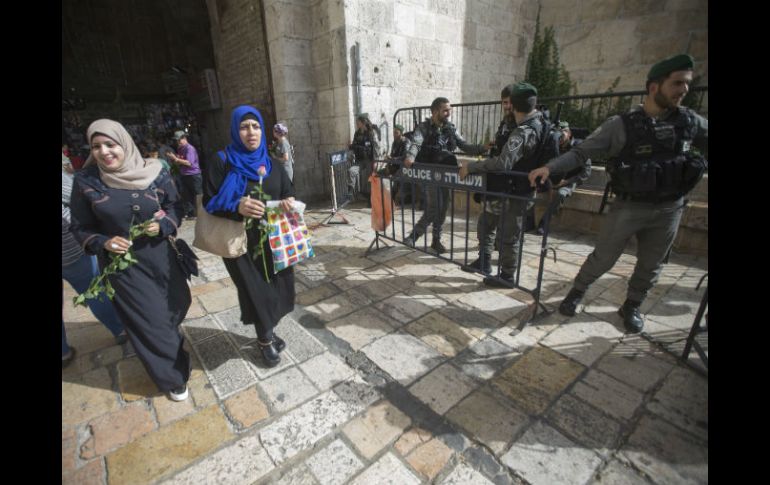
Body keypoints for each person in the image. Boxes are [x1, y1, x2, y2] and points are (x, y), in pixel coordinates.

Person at [527, 54, 708, 333]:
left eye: (687, 84)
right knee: (604, 257)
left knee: (652, 265)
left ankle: (632, 305)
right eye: (677, 83)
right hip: (629, 207)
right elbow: (581, 152)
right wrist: (549, 168)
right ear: (654, 87)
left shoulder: (689, 122)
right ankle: (577, 291)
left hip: (670, 209)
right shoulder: (621, 125)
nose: (684, 90)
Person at [70, 119, 193, 401]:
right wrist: (104, 242)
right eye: (96, 146)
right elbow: (80, 226)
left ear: (125, 144)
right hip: (123, 267)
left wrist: (164, 226)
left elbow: (175, 206)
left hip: (161, 259)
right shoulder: (87, 181)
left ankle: (170, 346)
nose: (104, 151)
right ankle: (172, 377)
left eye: (110, 144)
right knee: (149, 323)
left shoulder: (156, 172)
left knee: (173, 309)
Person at [202, 106, 296, 367]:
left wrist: (288, 201)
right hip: (240, 242)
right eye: (244, 127)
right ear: (235, 130)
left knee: (278, 289)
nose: (250, 132)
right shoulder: (222, 161)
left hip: (274, 239)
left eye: (255, 126)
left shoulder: (272, 163)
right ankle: (265, 340)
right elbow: (209, 201)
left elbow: (288, 190)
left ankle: (268, 330)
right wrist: (237, 206)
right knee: (256, 293)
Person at [458, 82, 547, 287]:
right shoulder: (510, 123)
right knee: (485, 225)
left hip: (517, 190)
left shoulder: (525, 128)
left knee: (509, 235)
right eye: (504, 103)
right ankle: (484, 261)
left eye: (509, 103)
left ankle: (507, 276)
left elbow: (503, 162)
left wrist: (471, 167)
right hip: (501, 187)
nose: (506, 107)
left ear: (516, 105)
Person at [62, 170, 128, 368]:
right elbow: (78, 195)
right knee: (93, 290)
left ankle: (63, 353)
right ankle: (120, 330)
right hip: (69, 251)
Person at [404, 97, 486, 253]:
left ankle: (436, 240)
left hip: (445, 173)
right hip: (429, 173)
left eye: (450, 110)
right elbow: (416, 143)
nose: (449, 113)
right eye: (445, 110)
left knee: (443, 208)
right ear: (435, 111)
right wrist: (411, 157)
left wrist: (483, 148)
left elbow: (465, 145)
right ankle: (414, 236)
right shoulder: (424, 127)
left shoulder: (450, 128)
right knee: (434, 207)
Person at [530, 121, 592, 235]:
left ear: (568, 133)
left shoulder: (579, 147)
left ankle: (544, 223)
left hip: (570, 180)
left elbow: (586, 173)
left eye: (562, 134)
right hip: (553, 179)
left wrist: (566, 181)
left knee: (561, 194)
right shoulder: (554, 145)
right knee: (531, 189)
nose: (560, 138)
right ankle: (528, 222)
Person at [167, 130, 202, 218]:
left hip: (193, 174)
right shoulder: (180, 148)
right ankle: (191, 213)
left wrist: (176, 159)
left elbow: (189, 163)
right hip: (184, 174)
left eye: (179, 140)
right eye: (176, 140)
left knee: (198, 195)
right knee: (187, 195)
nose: (178, 142)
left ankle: (202, 213)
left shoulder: (189, 148)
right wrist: (175, 159)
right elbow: (180, 162)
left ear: (184, 138)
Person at [348, 113, 380, 202]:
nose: (356, 124)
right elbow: (354, 145)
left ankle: (372, 198)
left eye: (358, 122)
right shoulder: (357, 133)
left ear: (363, 122)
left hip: (370, 160)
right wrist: (351, 148)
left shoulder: (370, 133)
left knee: (371, 178)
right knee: (351, 171)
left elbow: (374, 147)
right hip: (360, 160)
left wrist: (375, 161)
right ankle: (350, 192)